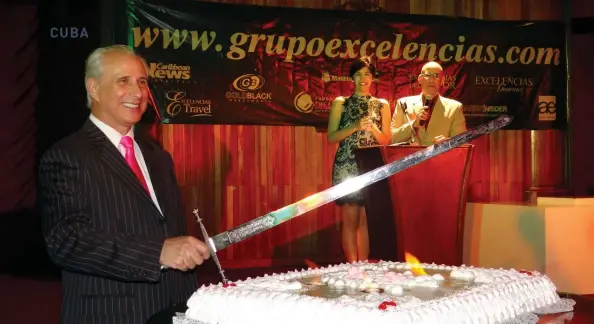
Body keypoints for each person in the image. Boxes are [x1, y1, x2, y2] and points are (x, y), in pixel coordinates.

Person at [38, 45, 210, 324]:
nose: (139, 92)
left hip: (175, 309)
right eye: (124, 81)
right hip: (110, 313)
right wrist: (157, 253)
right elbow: (66, 241)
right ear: (93, 88)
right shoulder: (67, 155)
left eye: (142, 81)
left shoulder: (159, 157)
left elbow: (167, 232)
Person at [327, 56, 391, 262]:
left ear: (373, 78)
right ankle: (352, 266)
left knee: (366, 217)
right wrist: (355, 126)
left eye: (367, 74)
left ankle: (363, 265)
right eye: (358, 74)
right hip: (348, 163)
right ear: (351, 78)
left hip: (372, 163)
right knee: (351, 217)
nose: (363, 78)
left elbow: (386, 139)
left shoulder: (382, 105)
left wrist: (373, 128)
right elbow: (332, 137)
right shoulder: (341, 103)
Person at [390, 61, 467, 145]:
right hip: (410, 156)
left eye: (436, 76)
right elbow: (392, 138)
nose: (432, 80)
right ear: (420, 79)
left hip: (439, 157)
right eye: (427, 75)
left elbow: (461, 143)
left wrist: (447, 143)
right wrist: (413, 124)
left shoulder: (455, 107)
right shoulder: (403, 103)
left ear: (442, 80)